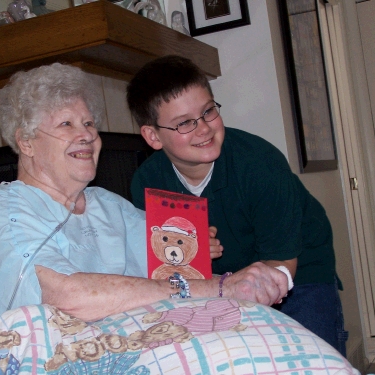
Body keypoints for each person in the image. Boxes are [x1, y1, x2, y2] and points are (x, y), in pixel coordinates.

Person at [0, 62, 290, 341]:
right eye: (66, 124)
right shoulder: (2, 210)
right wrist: (219, 289)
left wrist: (207, 258)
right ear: (26, 142)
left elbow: (172, 264)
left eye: (90, 123)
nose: (87, 134)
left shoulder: (106, 205)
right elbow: (68, 299)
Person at [127, 55, 348, 356]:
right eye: (184, 123)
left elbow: (281, 269)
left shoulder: (260, 166)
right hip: (223, 283)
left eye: (208, 112)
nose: (203, 128)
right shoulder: (147, 184)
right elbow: (166, 268)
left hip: (298, 271)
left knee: (311, 355)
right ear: (153, 136)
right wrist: (193, 260)